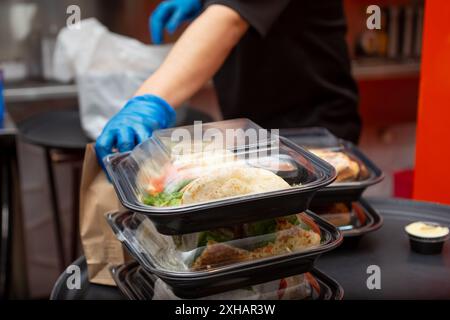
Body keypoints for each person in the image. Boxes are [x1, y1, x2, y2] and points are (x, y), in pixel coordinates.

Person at [95, 0, 360, 164]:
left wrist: (150, 102)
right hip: (255, 130)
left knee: (305, 243)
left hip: (311, 134)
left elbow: (229, 18)